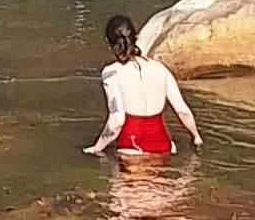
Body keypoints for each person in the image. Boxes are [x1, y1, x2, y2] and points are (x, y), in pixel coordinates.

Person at [84, 14, 202, 156]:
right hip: (163, 144)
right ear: (135, 38)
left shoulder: (111, 73)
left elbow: (117, 121)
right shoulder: (160, 68)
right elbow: (182, 111)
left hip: (131, 146)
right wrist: (196, 137)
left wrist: (97, 148)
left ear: (110, 44)